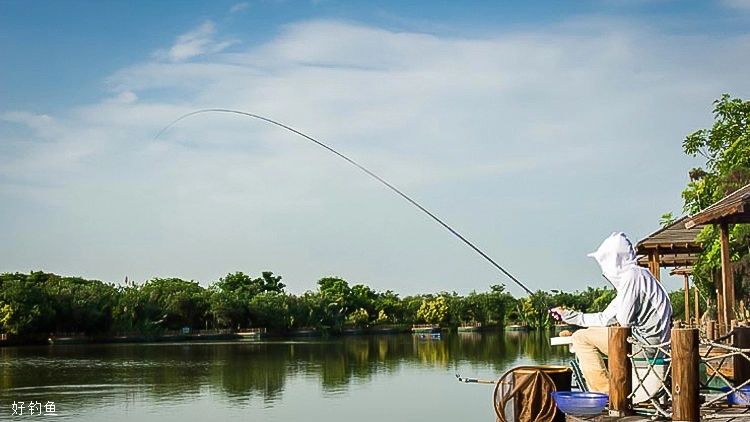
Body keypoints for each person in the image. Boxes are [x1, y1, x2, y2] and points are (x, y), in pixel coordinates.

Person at [551, 232, 672, 394]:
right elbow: (604, 317)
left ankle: (605, 392)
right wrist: (568, 315)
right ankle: (608, 388)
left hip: (647, 347)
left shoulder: (632, 276)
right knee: (587, 333)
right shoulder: (640, 276)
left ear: (613, 259)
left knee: (580, 338)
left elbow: (624, 320)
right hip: (653, 345)